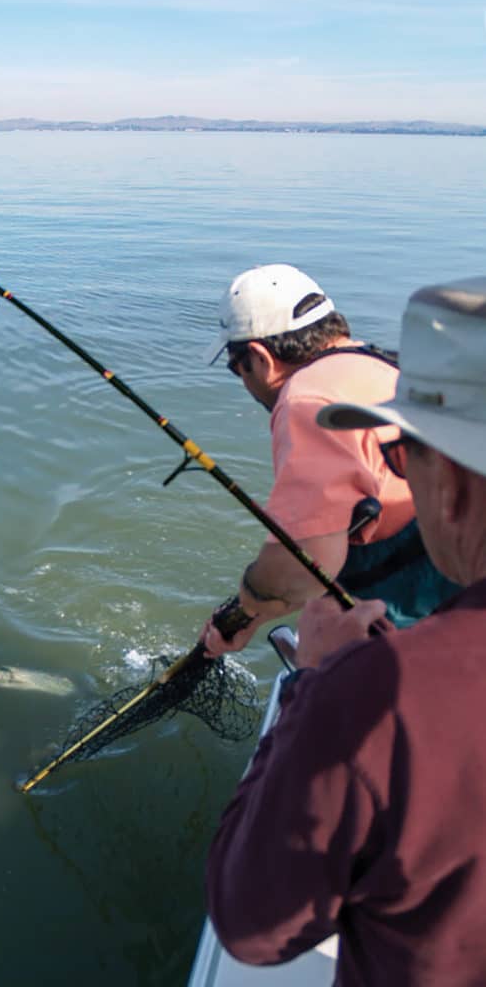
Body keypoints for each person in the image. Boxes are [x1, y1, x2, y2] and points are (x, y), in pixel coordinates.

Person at [206, 276, 486, 985]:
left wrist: (311, 679)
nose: (398, 480)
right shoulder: (377, 362)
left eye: (404, 456)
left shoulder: (300, 400)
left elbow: (253, 928)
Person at [200, 263, 457, 656]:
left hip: (416, 623)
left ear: (259, 356)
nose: (244, 382)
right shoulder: (386, 364)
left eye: (238, 368)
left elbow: (302, 568)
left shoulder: (305, 402)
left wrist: (246, 605)